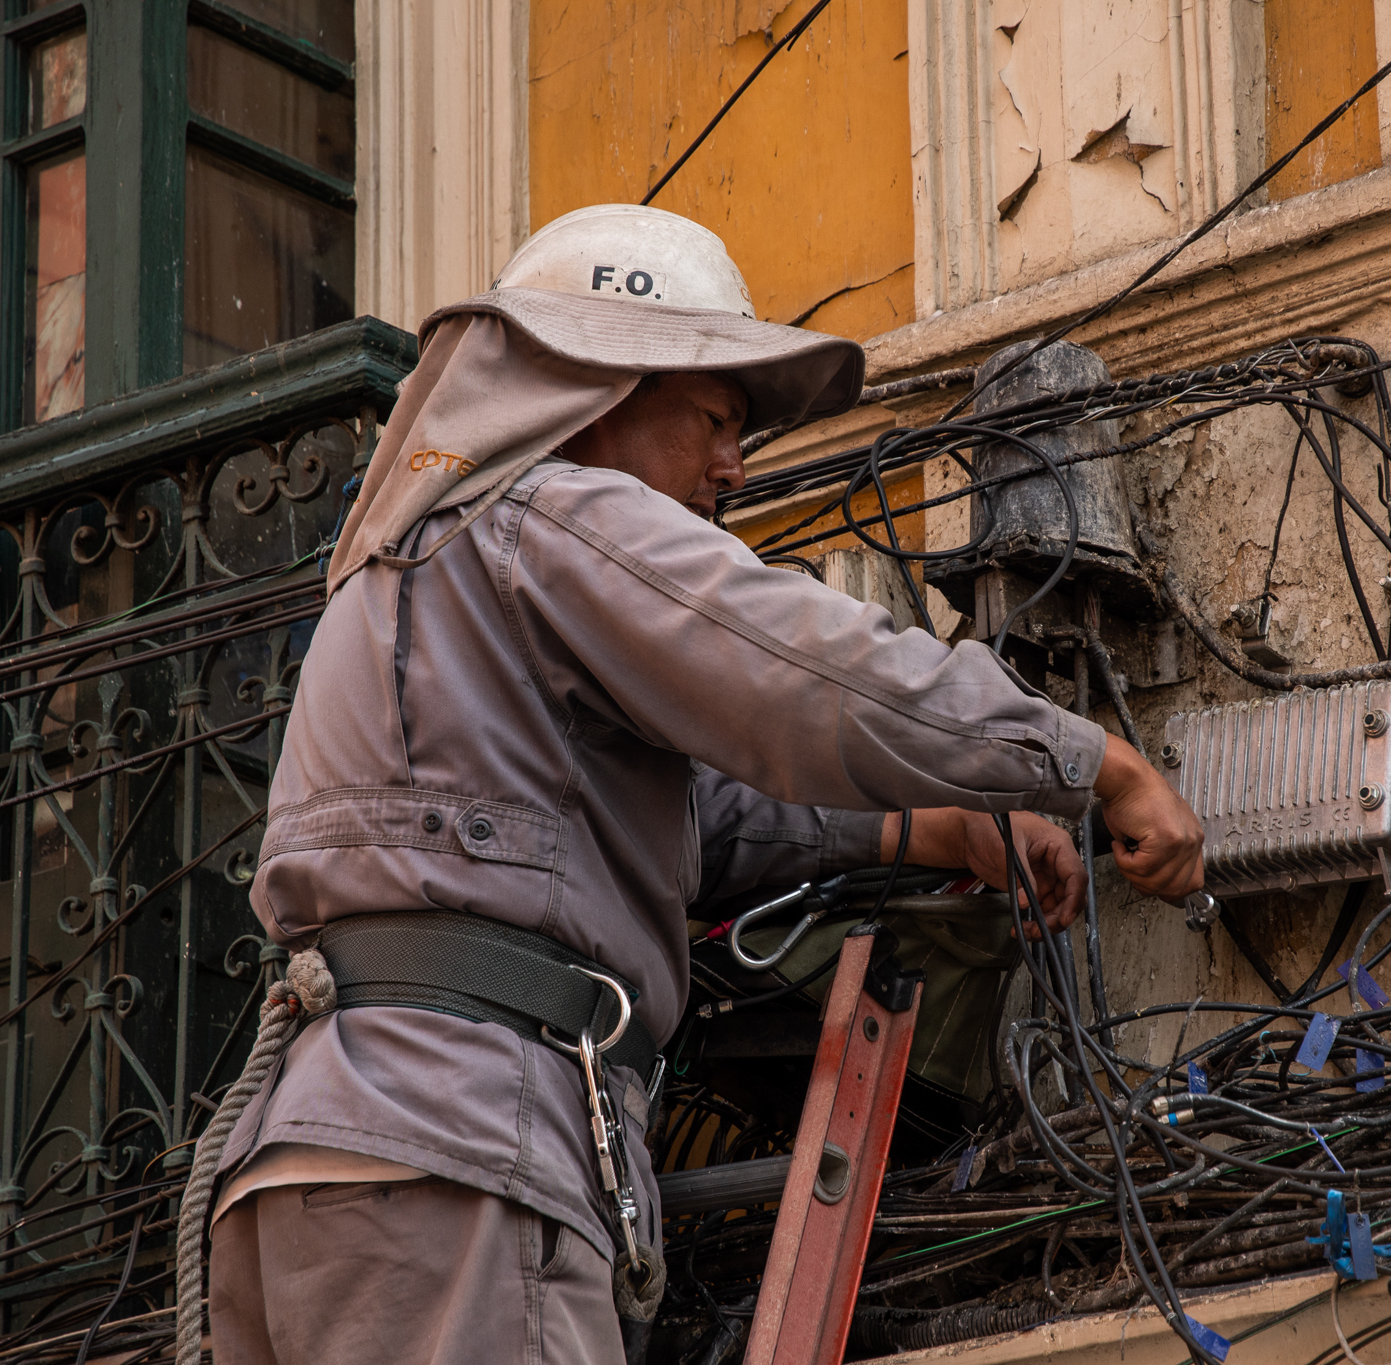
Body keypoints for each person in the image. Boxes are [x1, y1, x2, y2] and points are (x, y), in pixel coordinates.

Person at [202, 204, 1204, 1365]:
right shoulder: (554, 513)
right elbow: (805, 669)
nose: (734, 469)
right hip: (463, 1156)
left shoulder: (420, 572)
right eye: (718, 420)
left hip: (313, 1172)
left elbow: (666, 823)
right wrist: (1095, 764)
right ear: (604, 389)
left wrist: (935, 829)